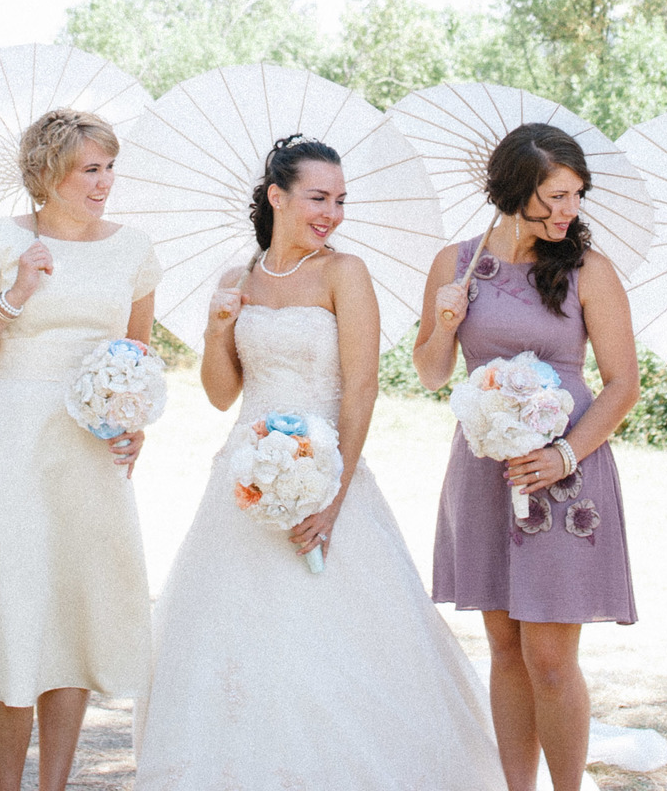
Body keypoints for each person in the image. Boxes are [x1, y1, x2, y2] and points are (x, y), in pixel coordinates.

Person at [135, 135, 500, 789]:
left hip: (331, 473)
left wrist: (332, 496)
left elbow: (361, 386)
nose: (331, 212)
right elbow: (222, 394)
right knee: (235, 642)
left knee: (333, 645)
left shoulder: (344, 273)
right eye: (317, 198)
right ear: (277, 196)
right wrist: (219, 327)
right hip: (244, 482)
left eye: (339, 200)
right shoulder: (235, 277)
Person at [0, 109, 160, 791]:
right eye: (92, 169)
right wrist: (13, 296)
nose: (105, 182)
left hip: (88, 455)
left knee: (71, 618)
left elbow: (135, 355)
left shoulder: (134, 248)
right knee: (11, 613)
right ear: (49, 174)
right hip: (10, 448)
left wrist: (134, 419)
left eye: (110, 167)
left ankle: (53, 785)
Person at [414, 121, 640, 791]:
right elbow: (431, 374)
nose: (570, 210)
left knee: (548, 658)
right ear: (516, 190)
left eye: (577, 195)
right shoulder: (455, 263)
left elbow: (624, 384)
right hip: (486, 469)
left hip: (568, 474)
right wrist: (446, 321)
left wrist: (565, 454)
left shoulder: (588, 270)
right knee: (505, 650)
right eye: (556, 196)